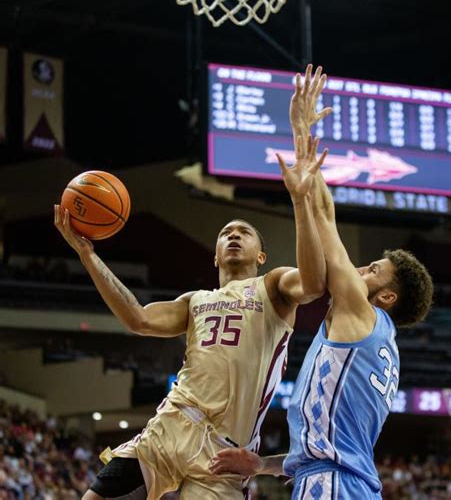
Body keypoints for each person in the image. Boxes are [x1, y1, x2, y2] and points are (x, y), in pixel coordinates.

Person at [53, 126, 331, 499]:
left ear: (261, 257)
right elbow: (138, 319)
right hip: (169, 430)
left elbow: (314, 284)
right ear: (215, 254)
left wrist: (300, 201)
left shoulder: (273, 286)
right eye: (226, 232)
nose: (234, 235)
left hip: (224, 452)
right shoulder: (194, 300)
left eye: (244, 232)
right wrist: (88, 255)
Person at [210, 65, 434, 498]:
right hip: (342, 483)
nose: (359, 270)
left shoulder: (361, 312)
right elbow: (327, 448)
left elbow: (325, 216)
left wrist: (299, 133)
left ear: (386, 296)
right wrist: (262, 464)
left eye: (372, 270)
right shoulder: (379, 343)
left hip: (332, 486)